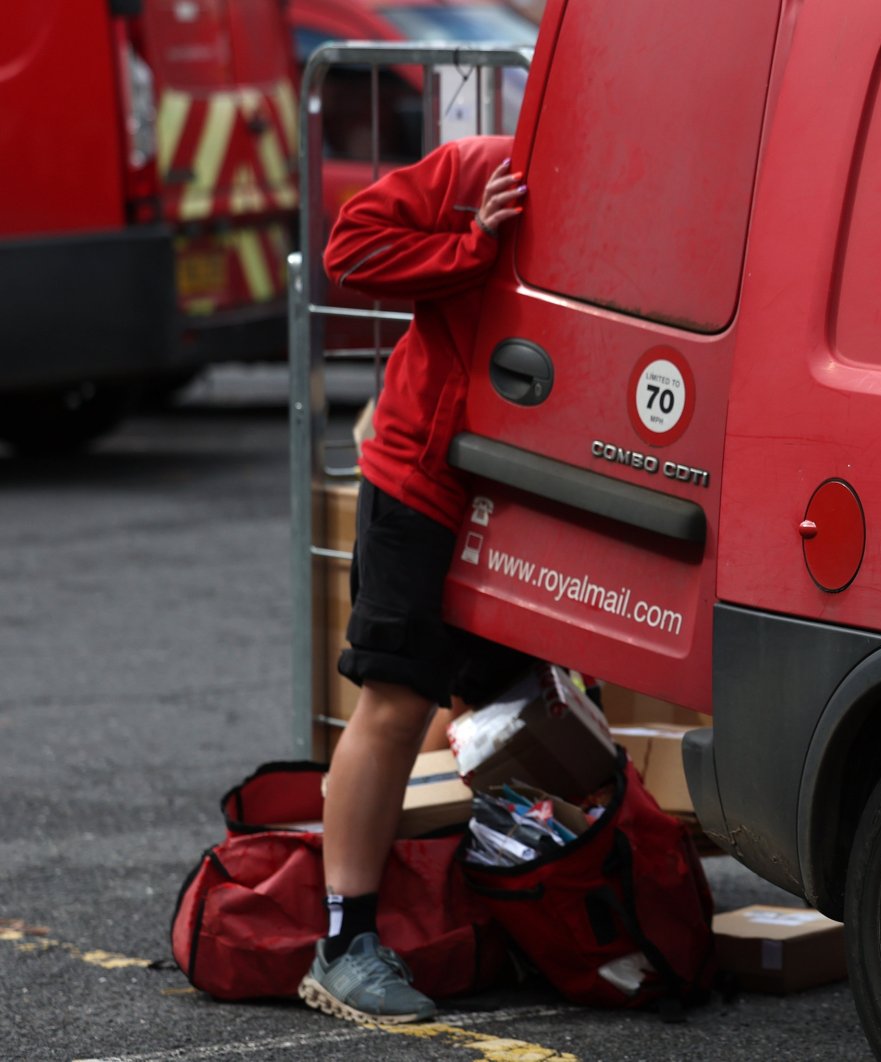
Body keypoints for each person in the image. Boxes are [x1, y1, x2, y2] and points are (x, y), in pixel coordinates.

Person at [298, 134, 528, 1025]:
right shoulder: (489, 164)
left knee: (512, 701)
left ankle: (500, 894)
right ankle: (343, 942)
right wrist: (471, 245)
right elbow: (349, 247)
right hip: (421, 480)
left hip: (526, 492)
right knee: (394, 703)